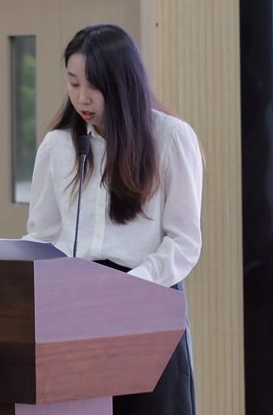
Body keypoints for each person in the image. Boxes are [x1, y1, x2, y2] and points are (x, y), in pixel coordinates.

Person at [24, 23, 203, 415]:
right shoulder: (58, 145)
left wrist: (130, 288)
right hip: (78, 308)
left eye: (94, 86)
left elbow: (184, 242)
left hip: (148, 297)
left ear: (122, 84)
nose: (82, 98)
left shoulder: (171, 138)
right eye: (73, 83)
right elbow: (43, 237)